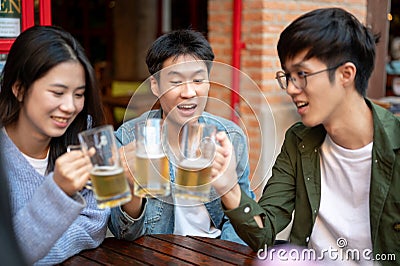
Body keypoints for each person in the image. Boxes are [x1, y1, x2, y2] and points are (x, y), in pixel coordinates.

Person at [211, 7, 400, 264]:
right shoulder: (299, 140)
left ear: (346, 74)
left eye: (302, 75)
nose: (290, 88)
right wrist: (229, 187)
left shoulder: (395, 143)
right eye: (287, 76)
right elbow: (264, 233)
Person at [108, 29, 255, 245]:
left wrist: (226, 258)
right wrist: (132, 190)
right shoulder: (127, 139)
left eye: (198, 80)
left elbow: (242, 224)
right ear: (155, 86)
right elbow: (122, 233)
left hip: (214, 253)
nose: (189, 92)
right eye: (176, 82)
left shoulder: (229, 137)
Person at [0, 25, 110, 265]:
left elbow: (95, 222)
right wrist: (58, 191)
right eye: (58, 93)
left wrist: (36, 253)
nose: (70, 107)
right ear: (19, 89)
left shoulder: (84, 133)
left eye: (79, 94)